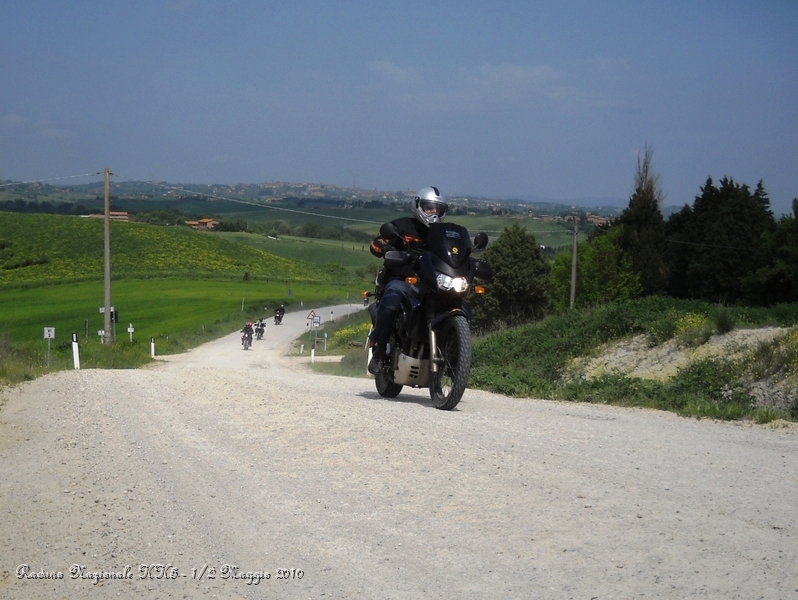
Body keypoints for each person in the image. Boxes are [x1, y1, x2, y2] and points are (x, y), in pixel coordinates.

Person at [367, 186, 448, 374]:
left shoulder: (442, 233)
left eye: (438, 209)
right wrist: (386, 249)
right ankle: (379, 349)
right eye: (429, 208)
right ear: (418, 206)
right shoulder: (402, 226)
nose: (434, 213)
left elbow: (455, 251)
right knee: (392, 298)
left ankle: (455, 353)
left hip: (432, 283)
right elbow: (376, 244)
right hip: (403, 279)